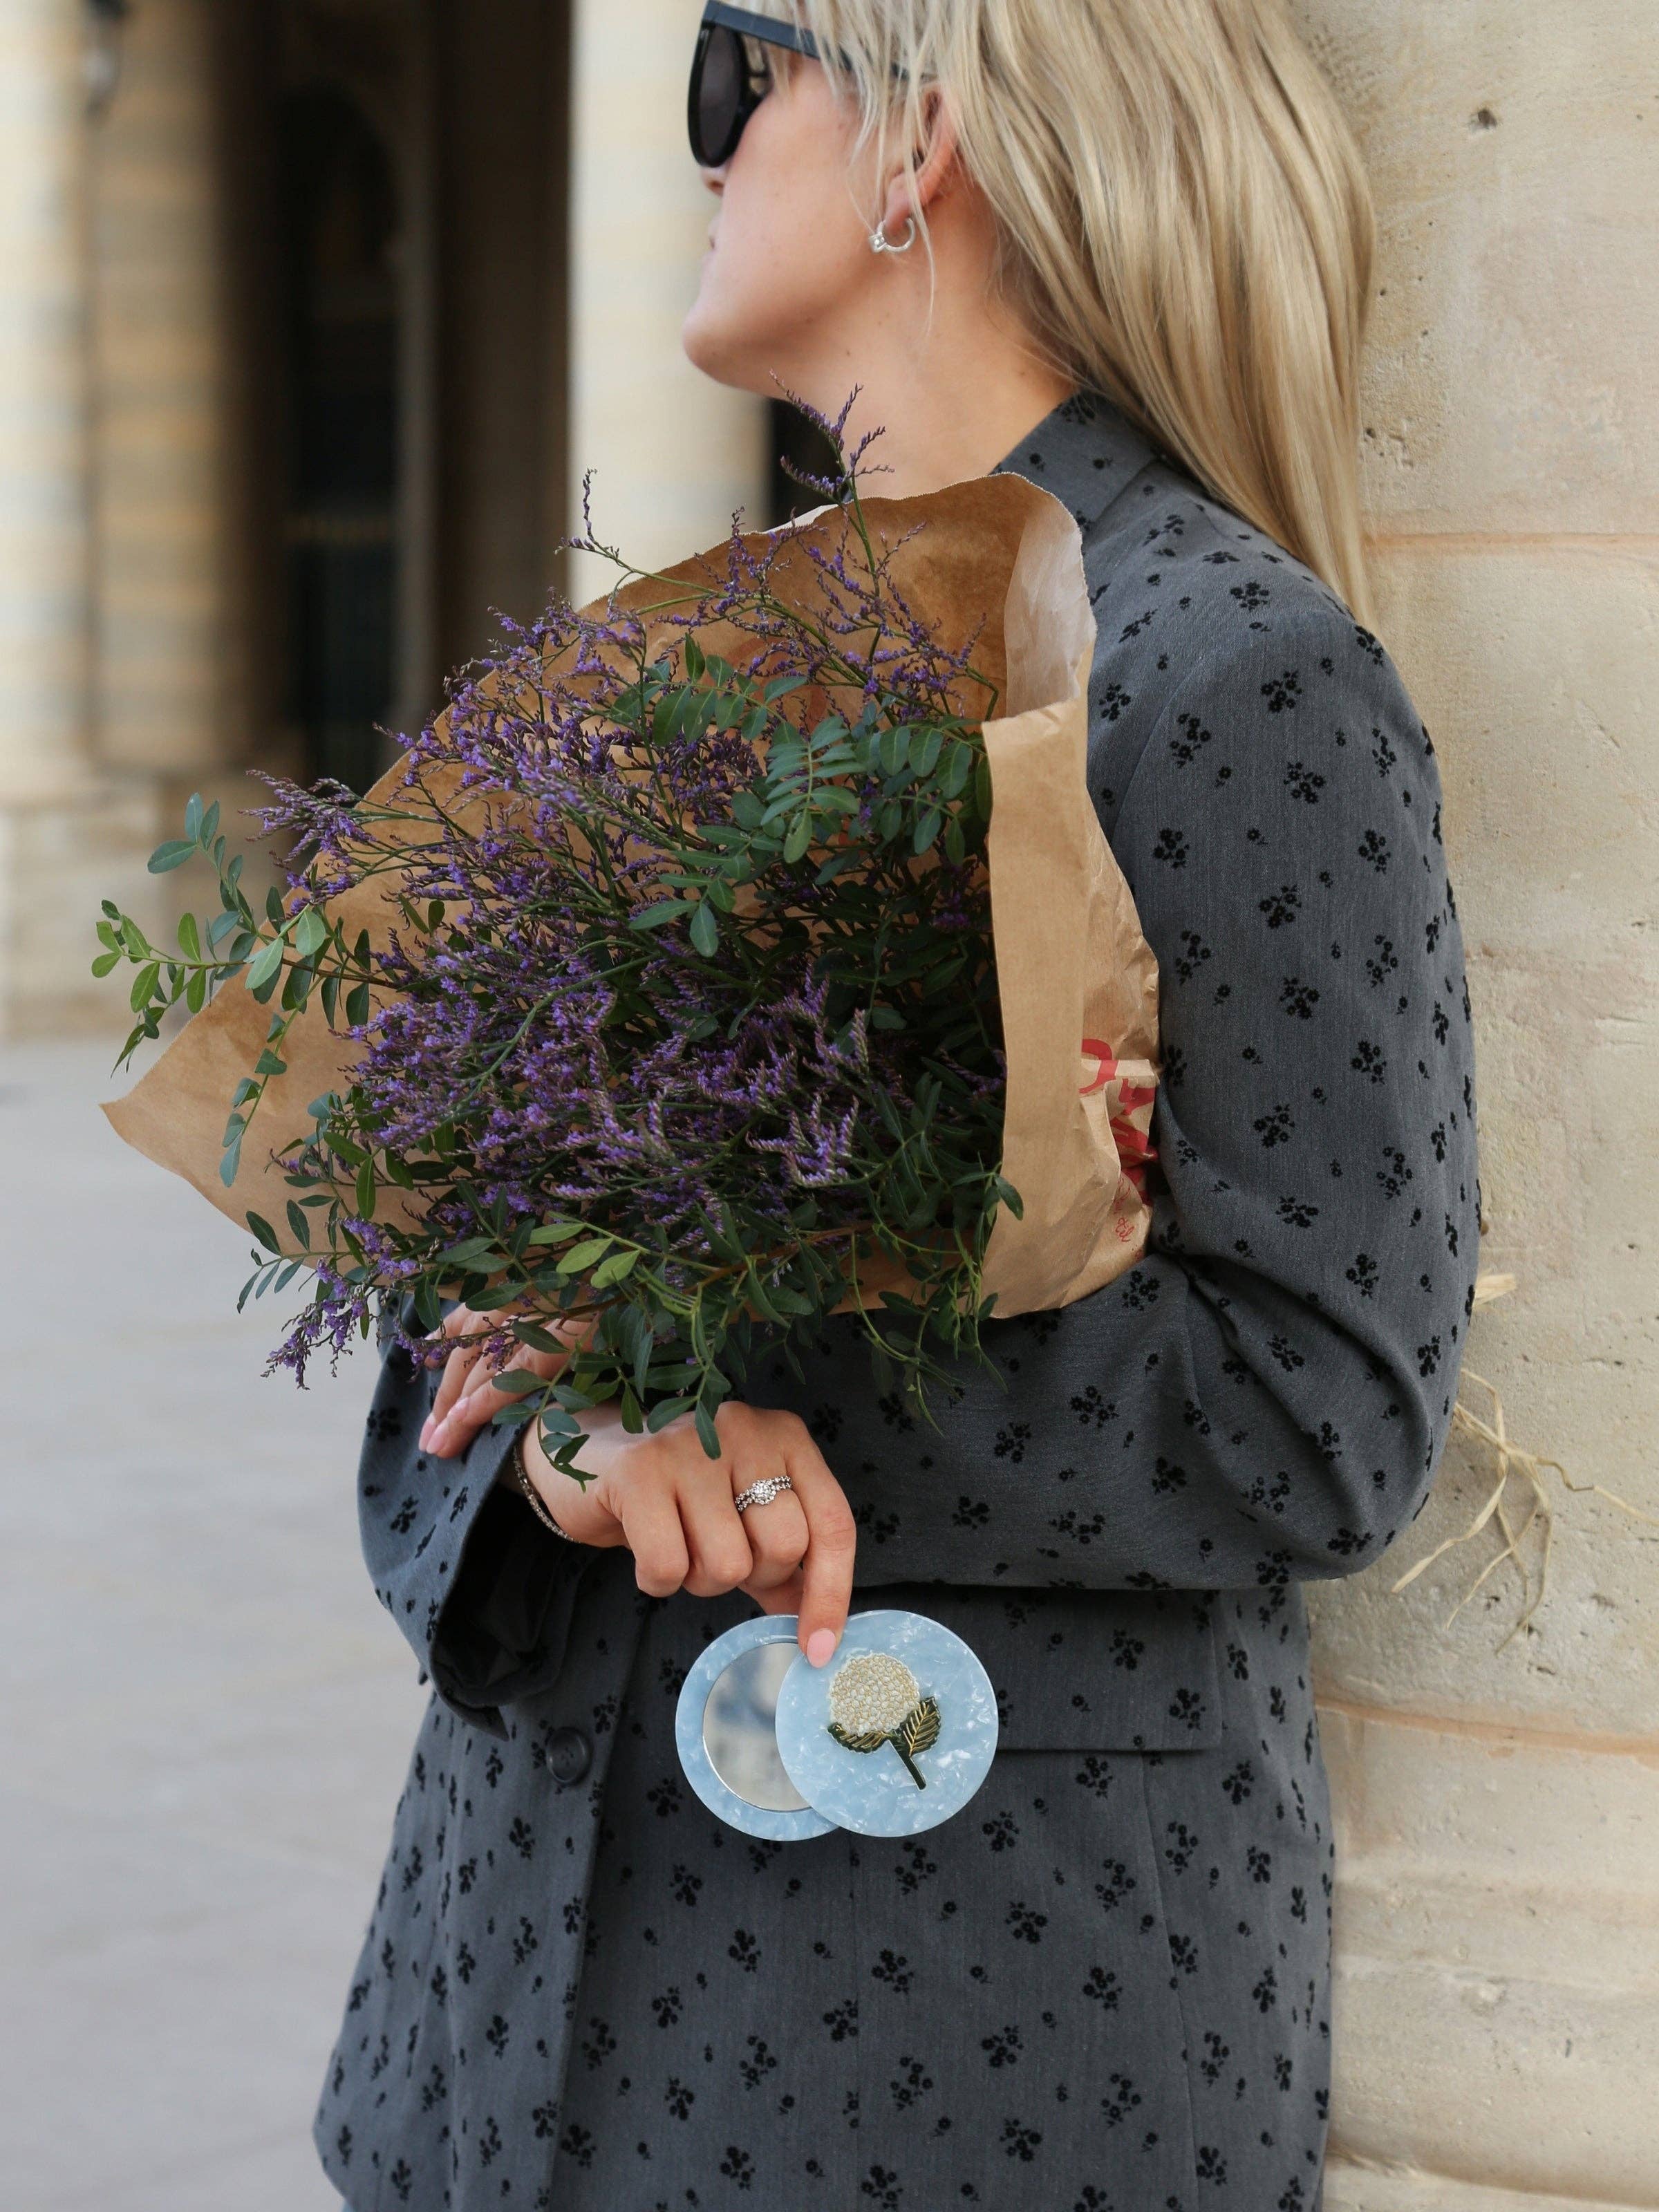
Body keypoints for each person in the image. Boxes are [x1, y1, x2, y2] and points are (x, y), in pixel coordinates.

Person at [315, 4, 1479, 2206]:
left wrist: (750, 1369)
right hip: (497, 2018)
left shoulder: (1236, 675)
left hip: (955, 2039)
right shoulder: (684, 678)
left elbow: (1326, 1407)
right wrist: (579, 1438)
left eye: (733, 68)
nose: (706, 139)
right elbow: (445, 1323)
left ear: (919, 131)